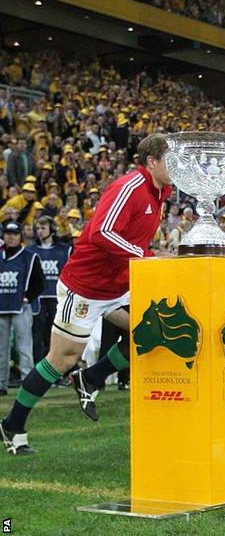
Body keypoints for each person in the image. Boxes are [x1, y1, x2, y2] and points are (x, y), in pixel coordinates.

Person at [1, 133, 172, 455]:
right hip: (86, 287)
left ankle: (90, 378)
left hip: (117, 286)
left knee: (151, 334)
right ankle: (12, 424)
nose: (177, 167)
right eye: (171, 160)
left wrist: (151, 254)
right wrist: (147, 256)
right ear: (152, 162)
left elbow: (129, 240)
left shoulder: (161, 192)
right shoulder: (130, 187)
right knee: (61, 359)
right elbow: (101, 232)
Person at [0, 221, 44, 396]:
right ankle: (1, 384)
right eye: (8, 234)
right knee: (1, 349)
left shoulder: (30, 256)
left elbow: (40, 282)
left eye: (15, 234)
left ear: (21, 236)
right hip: (1, 307)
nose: (11, 237)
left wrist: (27, 297)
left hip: (21, 308)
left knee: (24, 347)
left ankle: (28, 383)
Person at [27, 216, 71, 364]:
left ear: (52, 229)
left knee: (54, 337)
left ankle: (55, 371)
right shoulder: (30, 250)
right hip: (38, 299)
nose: (39, 231)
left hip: (58, 298)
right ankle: (37, 369)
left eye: (43, 228)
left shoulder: (65, 250)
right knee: (37, 336)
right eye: (37, 228)